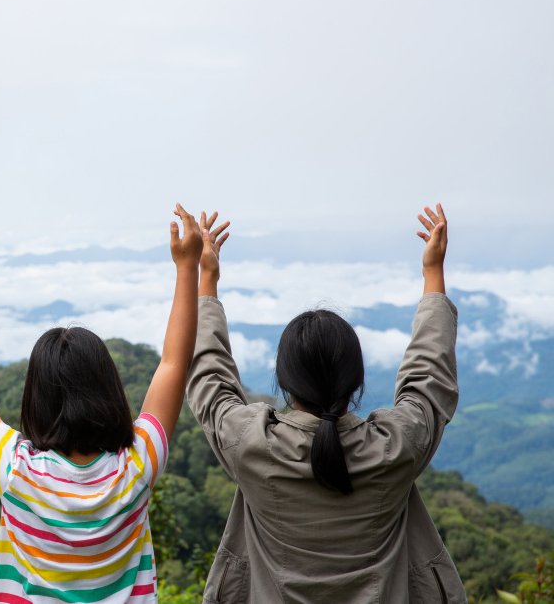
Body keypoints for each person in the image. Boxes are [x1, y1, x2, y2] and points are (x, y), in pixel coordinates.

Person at [0, 191, 204, 603]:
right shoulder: (137, 465)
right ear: (110, 391)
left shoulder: (15, 470)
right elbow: (174, 364)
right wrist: (188, 266)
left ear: (35, 401)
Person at [186, 205, 465, 603]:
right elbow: (429, 379)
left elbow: (210, 379)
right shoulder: (396, 448)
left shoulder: (251, 447)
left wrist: (207, 278)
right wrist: (433, 273)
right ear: (356, 380)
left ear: (285, 383)